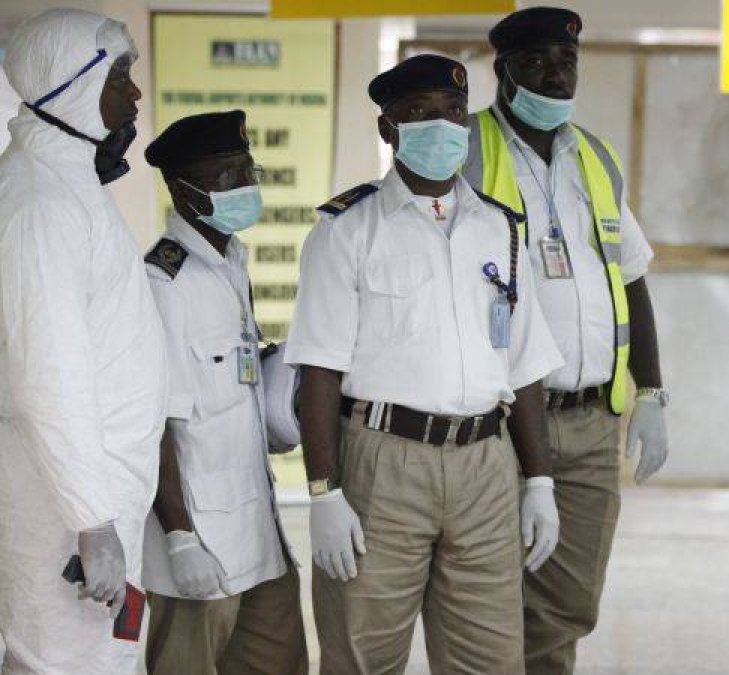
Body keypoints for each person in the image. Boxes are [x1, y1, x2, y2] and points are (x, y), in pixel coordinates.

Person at [286, 54, 564, 674]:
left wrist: (539, 482)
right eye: (418, 115)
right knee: (363, 654)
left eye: (452, 113)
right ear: (388, 129)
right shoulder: (347, 231)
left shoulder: (501, 228)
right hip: (384, 465)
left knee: (489, 657)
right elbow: (319, 376)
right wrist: (323, 493)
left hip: (486, 465)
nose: (441, 129)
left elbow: (524, 367)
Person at [463, 8, 669, 671]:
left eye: (567, 62)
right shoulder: (467, 150)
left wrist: (654, 391)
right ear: (503, 72)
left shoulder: (595, 158)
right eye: (538, 63)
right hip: (494, 420)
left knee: (568, 601)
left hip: (587, 423)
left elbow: (631, 278)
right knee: (492, 595)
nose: (557, 75)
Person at [0, 8, 167, 673]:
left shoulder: (68, 182)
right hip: (65, 513)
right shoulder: (38, 200)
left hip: (94, 494)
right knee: (60, 662)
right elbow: (49, 372)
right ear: (68, 84)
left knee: (96, 659)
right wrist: (93, 520)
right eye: (120, 75)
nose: (134, 94)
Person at [139, 110, 307, 674]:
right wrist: (181, 539)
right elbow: (156, 422)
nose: (243, 186)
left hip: (259, 524)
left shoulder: (231, 261)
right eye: (224, 175)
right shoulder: (164, 284)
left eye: (246, 169)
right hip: (200, 541)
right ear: (181, 189)